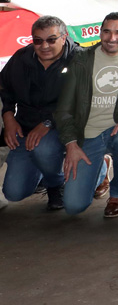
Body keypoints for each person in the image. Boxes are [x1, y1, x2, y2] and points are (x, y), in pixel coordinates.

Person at [55, 12, 118, 217]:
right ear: (100, 32)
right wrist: (70, 143)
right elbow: (63, 108)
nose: (112, 38)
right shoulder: (81, 60)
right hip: (87, 133)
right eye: (107, 31)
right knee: (73, 206)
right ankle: (102, 169)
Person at [2, 15, 74, 210]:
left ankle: (56, 183)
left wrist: (49, 123)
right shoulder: (20, 58)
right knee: (14, 192)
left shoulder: (79, 59)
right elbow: (4, 88)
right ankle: (46, 171)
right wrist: (8, 116)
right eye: (38, 40)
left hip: (65, 127)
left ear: (64, 37)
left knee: (44, 148)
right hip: (26, 126)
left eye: (51, 39)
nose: (44, 46)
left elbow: (81, 102)